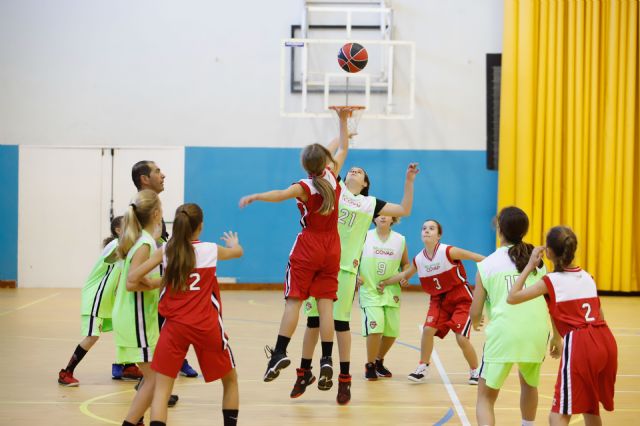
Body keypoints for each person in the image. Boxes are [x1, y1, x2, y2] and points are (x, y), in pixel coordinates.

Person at [239, 108, 351, 394]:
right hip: (332, 245)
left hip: (309, 245)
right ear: (325, 161)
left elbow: (279, 195)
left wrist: (256, 196)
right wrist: (343, 121)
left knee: (294, 302)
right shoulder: (334, 175)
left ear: (305, 166)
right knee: (326, 305)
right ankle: (326, 359)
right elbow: (342, 145)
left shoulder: (304, 186)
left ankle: (279, 352)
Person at [296, 161, 419, 405]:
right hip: (318, 264)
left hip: (343, 270)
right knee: (312, 321)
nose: (354, 170)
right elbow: (329, 160)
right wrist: (343, 129)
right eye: (351, 168)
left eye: (360, 171)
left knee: (340, 324)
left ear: (365, 184)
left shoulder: (370, 203)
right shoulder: (336, 188)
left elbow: (404, 209)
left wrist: (409, 180)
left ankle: (344, 378)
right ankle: (304, 372)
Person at [128, 203, 244, 426]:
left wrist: (156, 282)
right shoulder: (210, 249)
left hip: (174, 327)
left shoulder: (167, 250)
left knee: (163, 389)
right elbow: (238, 252)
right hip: (206, 326)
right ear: (200, 227)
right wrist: (234, 244)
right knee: (230, 381)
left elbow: (133, 278)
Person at [506, 226, 617, 426]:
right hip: (605, 339)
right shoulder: (587, 276)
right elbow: (599, 314)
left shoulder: (551, 281)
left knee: (558, 414)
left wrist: (530, 266)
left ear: (548, 252)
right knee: (590, 408)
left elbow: (512, 297)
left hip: (581, 344)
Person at [470, 206, 550, 426]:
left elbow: (475, 312)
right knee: (529, 385)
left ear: (500, 230)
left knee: (485, 397)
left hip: (504, 333)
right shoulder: (538, 262)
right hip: (536, 332)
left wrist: (476, 323)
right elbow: (551, 299)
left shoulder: (486, 265)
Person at [379, 219, 483, 384]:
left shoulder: (448, 251)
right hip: (438, 300)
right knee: (428, 330)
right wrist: (385, 282)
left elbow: (475, 257)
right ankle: (423, 366)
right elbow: (403, 276)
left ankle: (475, 370)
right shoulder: (419, 259)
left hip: (460, 299)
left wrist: (496, 265)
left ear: (439, 235)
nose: (426, 231)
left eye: (431, 228)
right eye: (424, 228)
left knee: (461, 338)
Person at [131, 160, 198, 378]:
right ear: (144, 179)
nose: (163, 175)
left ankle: (173, 363)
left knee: (167, 324)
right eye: (157, 171)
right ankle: (149, 376)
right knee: (158, 327)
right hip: (146, 285)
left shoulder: (153, 207)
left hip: (157, 282)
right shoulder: (141, 212)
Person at [57, 216, 142, 386]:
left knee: (124, 328)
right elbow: (120, 253)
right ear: (118, 230)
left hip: (109, 299)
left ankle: (128, 366)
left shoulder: (125, 248)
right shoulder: (115, 245)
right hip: (95, 297)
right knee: (92, 337)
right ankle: (66, 372)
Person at [113, 190, 165, 426]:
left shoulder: (140, 240)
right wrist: (163, 281)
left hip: (137, 317)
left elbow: (136, 278)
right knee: (154, 380)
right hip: (136, 319)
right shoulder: (145, 243)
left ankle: (136, 420)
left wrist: (154, 282)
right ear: (156, 214)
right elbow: (132, 282)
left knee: (151, 379)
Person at [356, 215, 410, 380]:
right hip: (370, 290)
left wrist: (404, 276)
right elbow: (353, 259)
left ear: (393, 219)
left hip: (391, 291)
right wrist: (355, 275)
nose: (383, 217)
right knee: (375, 329)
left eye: (387, 214)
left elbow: (406, 264)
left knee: (391, 332)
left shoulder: (400, 240)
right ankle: (370, 365)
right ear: (374, 219)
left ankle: (379, 360)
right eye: (379, 214)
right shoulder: (364, 236)